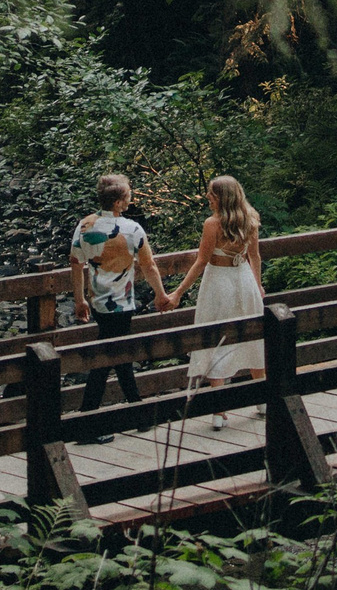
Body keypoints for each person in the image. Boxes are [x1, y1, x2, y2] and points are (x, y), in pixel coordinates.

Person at [67, 172, 174, 436]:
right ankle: (89, 424)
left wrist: (80, 300)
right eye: (127, 196)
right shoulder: (131, 229)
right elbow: (148, 265)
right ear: (117, 202)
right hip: (122, 303)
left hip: (98, 301)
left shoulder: (85, 226)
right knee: (111, 358)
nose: (129, 199)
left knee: (115, 356)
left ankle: (133, 414)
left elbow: (76, 264)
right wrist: (161, 294)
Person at [169, 175, 265, 428]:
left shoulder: (212, 224)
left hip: (220, 283)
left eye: (212, 194)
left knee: (216, 337)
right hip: (244, 280)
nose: (208, 197)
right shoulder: (250, 217)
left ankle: (219, 411)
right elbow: (255, 257)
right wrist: (257, 286)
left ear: (223, 197)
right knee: (251, 335)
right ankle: (262, 399)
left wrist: (178, 292)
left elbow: (201, 261)